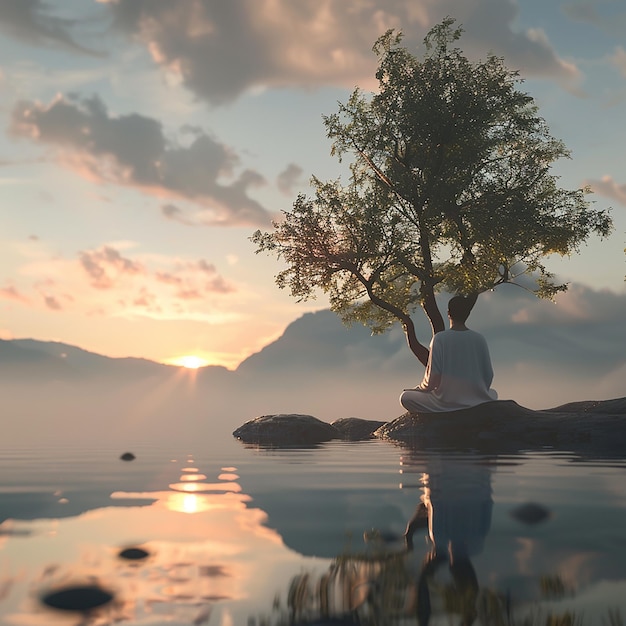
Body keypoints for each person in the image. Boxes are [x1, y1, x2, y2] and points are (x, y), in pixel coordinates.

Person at [400, 296, 497, 413]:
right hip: (476, 402)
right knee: (493, 393)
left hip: (446, 403)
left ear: (448, 313)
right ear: (468, 314)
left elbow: (433, 379)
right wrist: (476, 393)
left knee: (405, 397)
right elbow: (488, 375)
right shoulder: (479, 338)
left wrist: (419, 389)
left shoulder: (440, 338)